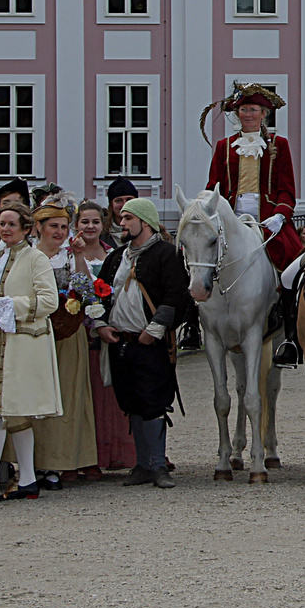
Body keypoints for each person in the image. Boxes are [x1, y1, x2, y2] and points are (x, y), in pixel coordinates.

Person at [93, 198, 190, 490]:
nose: (121, 224)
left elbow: (176, 295)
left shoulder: (166, 254)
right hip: (121, 341)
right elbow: (100, 293)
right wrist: (101, 325)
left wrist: (156, 328)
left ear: (144, 222)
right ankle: (143, 465)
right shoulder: (117, 257)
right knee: (131, 401)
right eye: (121, 219)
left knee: (154, 402)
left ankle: (158, 465)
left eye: (127, 219)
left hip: (150, 342)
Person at [203, 82, 300, 366]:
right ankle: (192, 326)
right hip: (231, 216)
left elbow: (287, 188)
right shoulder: (224, 147)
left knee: (293, 265)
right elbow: (214, 185)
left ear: (263, 113)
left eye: (254, 109)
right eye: (244, 109)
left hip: (267, 217)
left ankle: (290, 335)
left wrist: (281, 214)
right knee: (198, 257)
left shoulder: (278, 145)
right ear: (237, 112)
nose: (248, 114)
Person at [0, 204, 60, 503]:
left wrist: (12, 305)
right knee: (15, 412)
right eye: (1, 224)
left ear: (27, 228)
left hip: (23, 345)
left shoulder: (36, 258)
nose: (5, 229)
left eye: (11, 224)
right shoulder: (3, 259)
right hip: (1, 344)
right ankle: (26, 480)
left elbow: (49, 301)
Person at [30, 191, 98, 488]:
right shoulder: (26, 255)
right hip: (34, 335)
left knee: (67, 398)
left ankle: (63, 459)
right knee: (37, 397)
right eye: (53, 226)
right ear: (39, 228)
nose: (59, 232)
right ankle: (36, 462)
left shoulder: (70, 256)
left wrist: (80, 254)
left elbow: (87, 292)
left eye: (63, 226)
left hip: (68, 334)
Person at [75, 199, 132, 474]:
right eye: (84, 222)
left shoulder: (115, 252)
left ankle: (116, 452)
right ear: (76, 225)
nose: (90, 226)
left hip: (108, 327)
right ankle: (89, 457)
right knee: (87, 395)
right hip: (79, 330)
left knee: (110, 393)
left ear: (103, 224)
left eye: (95, 222)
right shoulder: (68, 255)